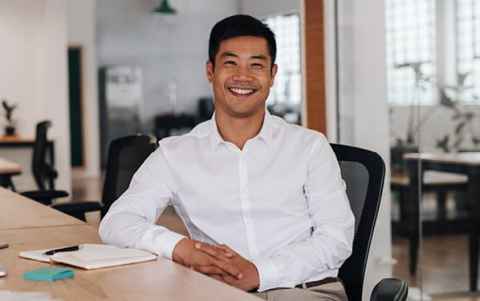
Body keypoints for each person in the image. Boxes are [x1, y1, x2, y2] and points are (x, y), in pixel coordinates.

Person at [99, 14, 354, 301]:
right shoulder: (176, 153)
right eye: (230, 63)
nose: (242, 76)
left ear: (272, 74)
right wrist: (184, 249)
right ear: (210, 71)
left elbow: (336, 239)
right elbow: (117, 222)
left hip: (302, 290)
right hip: (217, 291)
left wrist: (258, 272)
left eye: (256, 65)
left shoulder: (310, 147)